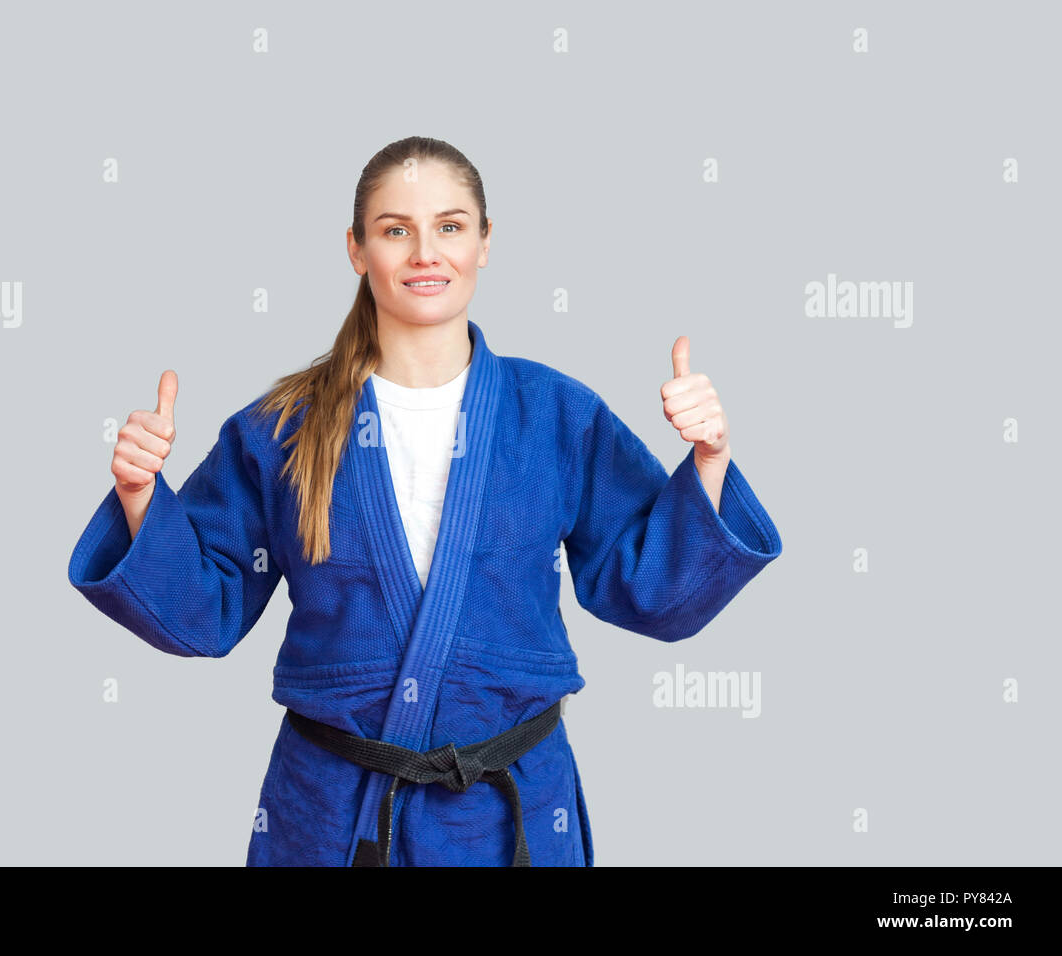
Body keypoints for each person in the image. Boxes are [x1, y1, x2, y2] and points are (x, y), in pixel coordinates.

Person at [67, 136, 782, 866]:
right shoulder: (282, 427)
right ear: (356, 249)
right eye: (394, 230)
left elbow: (655, 594)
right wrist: (138, 495)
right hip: (331, 816)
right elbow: (200, 614)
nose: (424, 253)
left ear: (485, 242)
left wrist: (710, 460)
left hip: (509, 822)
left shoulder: (556, 415)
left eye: (449, 226)